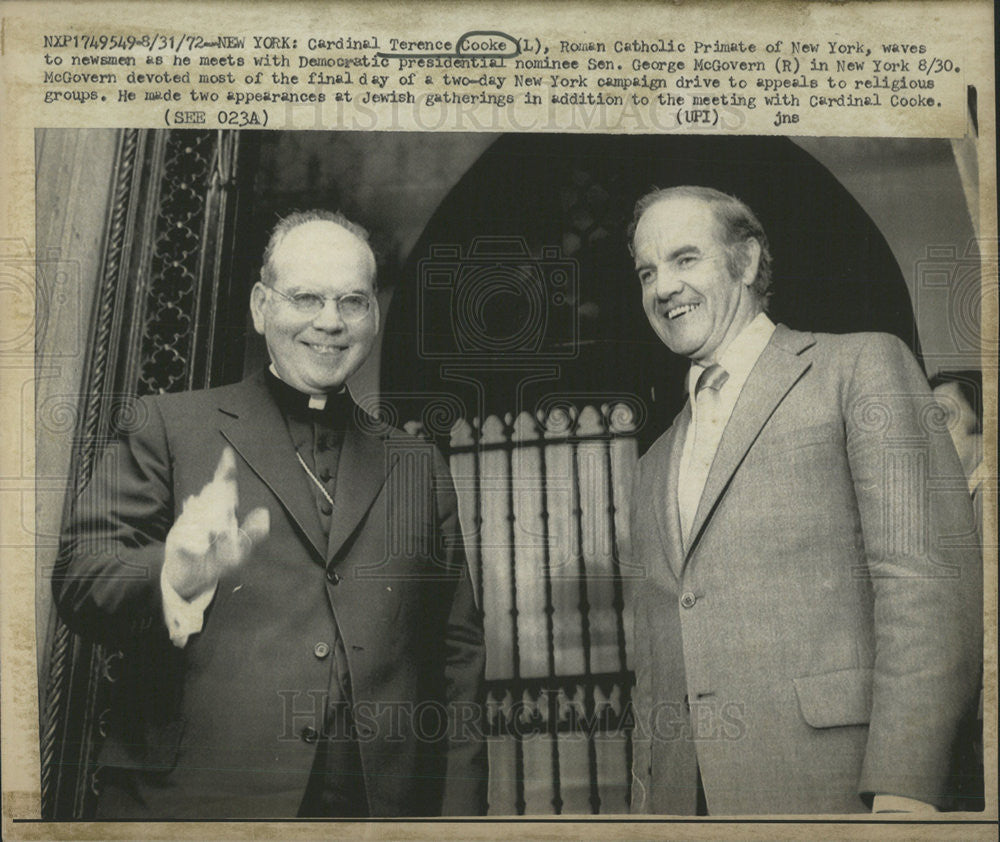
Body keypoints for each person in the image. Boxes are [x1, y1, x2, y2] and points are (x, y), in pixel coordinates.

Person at [53, 210, 487, 818]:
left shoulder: (418, 465)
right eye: (305, 297)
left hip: (374, 814)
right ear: (261, 306)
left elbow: (457, 661)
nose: (330, 321)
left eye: (352, 301)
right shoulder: (168, 426)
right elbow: (79, 578)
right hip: (193, 805)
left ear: (374, 314)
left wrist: (460, 824)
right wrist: (173, 574)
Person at [625, 186, 982, 815]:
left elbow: (927, 584)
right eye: (647, 271)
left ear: (747, 260)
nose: (662, 288)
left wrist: (905, 789)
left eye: (685, 259)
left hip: (840, 792)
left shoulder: (860, 367)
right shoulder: (654, 461)